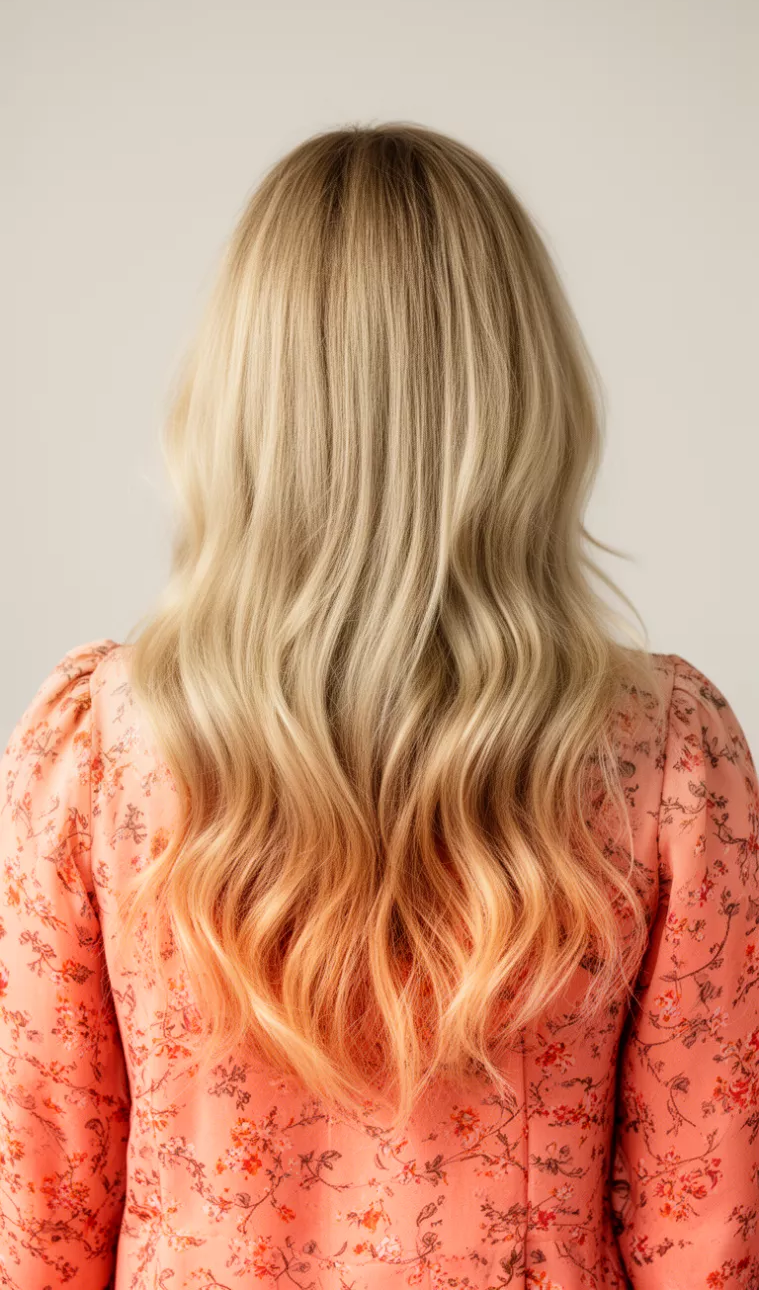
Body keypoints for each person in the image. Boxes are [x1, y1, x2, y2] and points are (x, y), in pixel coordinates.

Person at [1, 123, 757, 1290]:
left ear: (242, 401)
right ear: (523, 395)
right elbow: (708, 1231)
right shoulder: (664, 757)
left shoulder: (97, 752)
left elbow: (37, 1220)